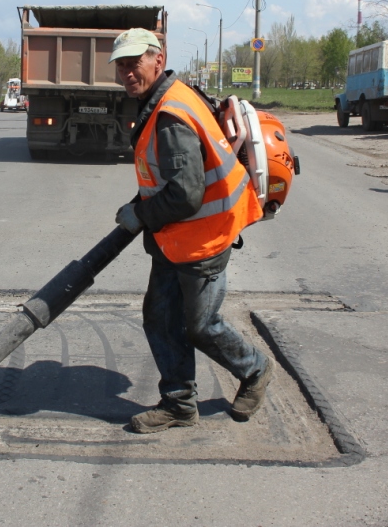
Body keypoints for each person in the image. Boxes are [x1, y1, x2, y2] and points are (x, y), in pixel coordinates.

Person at [109, 27, 273, 434]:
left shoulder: (169, 116)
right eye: (122, 65)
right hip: (176, 237)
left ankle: (255, 370)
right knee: (161, 318)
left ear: (158, 60)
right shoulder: (167, 97)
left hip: (204, 239)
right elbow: (166, 179)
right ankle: (179, 404)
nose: (128, 72)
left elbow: (184, 195)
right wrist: (140, 207)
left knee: (200, 325)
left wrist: (142, 215)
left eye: (136, 63)